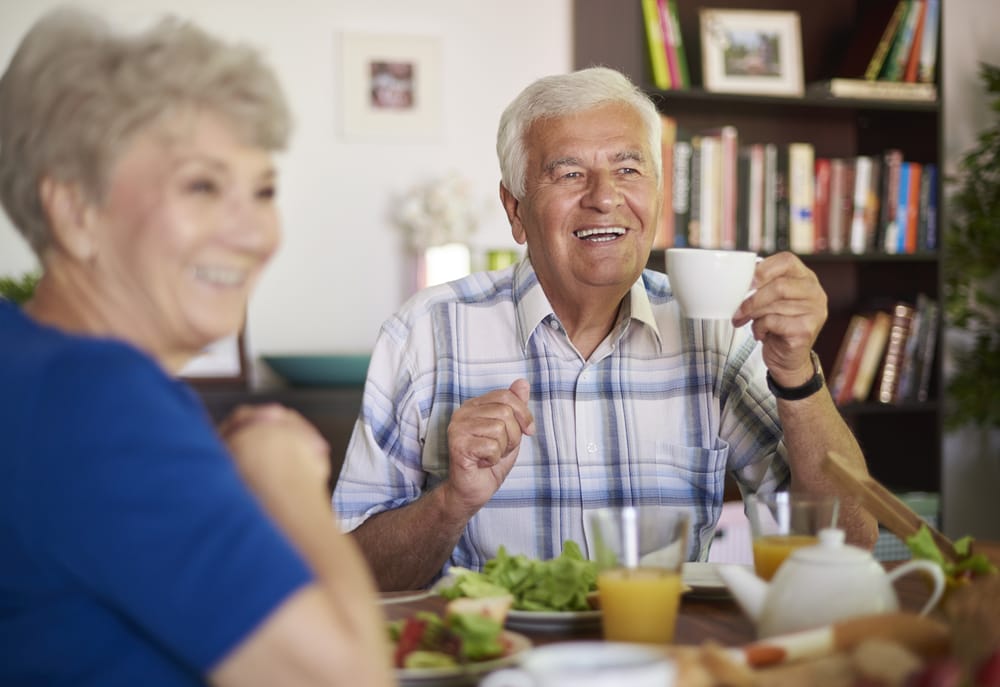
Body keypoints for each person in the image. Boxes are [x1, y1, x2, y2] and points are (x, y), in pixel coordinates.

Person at [333, 66, 879, 592]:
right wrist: (453, 500)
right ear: (515, 209)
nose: (604, 196)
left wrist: (796, 374)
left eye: (628, 169)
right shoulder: (424, 334)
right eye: (569, 173)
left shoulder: (721, 331)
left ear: (659, 198)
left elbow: (847, 543)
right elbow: (348, 578)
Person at [0, 9, 392, 686]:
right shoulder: (98, 400)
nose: (253, 233)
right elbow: (348, 677)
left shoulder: (26, 362)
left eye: (262, 190)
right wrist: (284, 475)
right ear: (75, 211)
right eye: (203, 186)